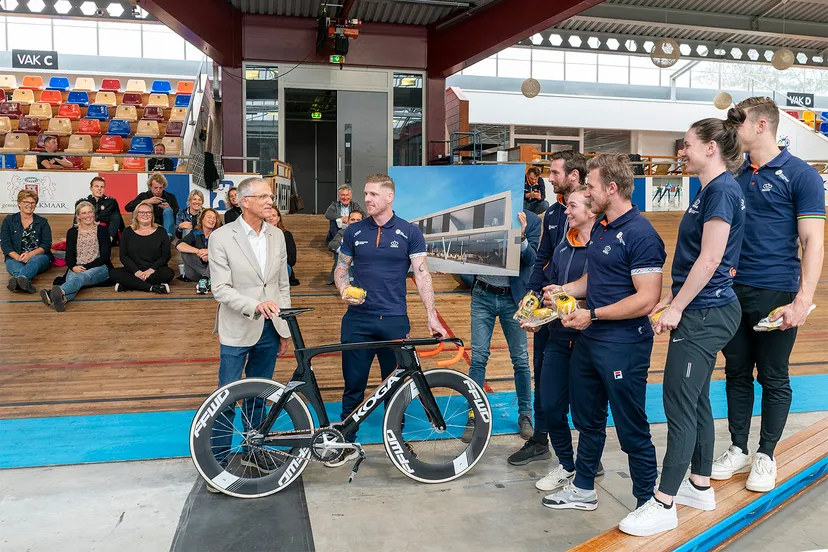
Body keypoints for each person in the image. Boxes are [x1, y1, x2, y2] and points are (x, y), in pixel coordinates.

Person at [618, 112, 747, 536]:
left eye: (688, 144)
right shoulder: (710, 190)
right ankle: (700, 485)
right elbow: (698, 259)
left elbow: (712, 258)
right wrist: (673, 297)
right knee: (696, 402)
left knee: (678, 404)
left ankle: (664, 501)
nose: (681, 151)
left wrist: (677, 308)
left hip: (706, 314)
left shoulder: (722, 191)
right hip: (702, 307)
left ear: (711, 148)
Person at [542, 154, 665, 513]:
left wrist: (591, 314)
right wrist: (563, 289)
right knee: (588, 420)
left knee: (631, 426)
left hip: (623, 345)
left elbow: (647, 299)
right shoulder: (602, 228)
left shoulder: (642, 233)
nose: (586, 193)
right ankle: (583, 490)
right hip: (591, 341)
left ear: (611, 188)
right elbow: (593, 279)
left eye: (591, 187)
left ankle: (646, 501)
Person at [714, 97, 826, 493]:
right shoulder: (735, 174)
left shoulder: (801, 176)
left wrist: (801, 300)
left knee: (774, 376)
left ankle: (766, 454)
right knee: (736, 373)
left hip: (776, 292)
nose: (732, 130)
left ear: (761, 125)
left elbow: (814, 243)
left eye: (738, 123)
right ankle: (738, 448)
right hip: (732, 292)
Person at [331, 173, 447, 465]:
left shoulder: (409, 232)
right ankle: (346, 441)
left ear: (389, 197)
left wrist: (432, 316)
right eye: (366, 194)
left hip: (394, 321)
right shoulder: (354, 231)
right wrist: (344, 288)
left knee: (395, 388)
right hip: (357, 320)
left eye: (373, 194)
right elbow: (341, 267)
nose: (367, 199)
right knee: (353, 385)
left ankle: (397, 441)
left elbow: (422, 275)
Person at [206, 177, 292, 489]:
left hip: (270, 328)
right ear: (244, 201)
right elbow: (220, 289)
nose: (271, 201)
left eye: (271, 196)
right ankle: (214, 461)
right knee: (226, 396)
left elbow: (281, 284)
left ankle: (252, 450)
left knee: (259, 395)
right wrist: (257, 305)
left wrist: (284, 327)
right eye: (264, 197)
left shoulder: (278, 236)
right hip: (237, 328)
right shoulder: (221, 237)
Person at [509, 150, 587, 466]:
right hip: (548, 311)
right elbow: (542, 259)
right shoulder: (553, 214)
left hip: (579, 314)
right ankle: (541, 440)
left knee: (582, 384)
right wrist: (530, 300)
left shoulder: (594, 217)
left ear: (574, 176)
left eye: (555, 173)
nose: (549, 178)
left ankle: (588, 454)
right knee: (543, 376)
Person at [525, 188, 603, 493]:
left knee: (588, 412)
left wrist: (576, 302)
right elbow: (551, 290)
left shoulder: (604, 244)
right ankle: (566, 464)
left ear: (590, 211)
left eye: (571, 207)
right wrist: (537, 314)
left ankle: (587, 467)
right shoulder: (562, 247)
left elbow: (603, 290)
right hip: (558, 337)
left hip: (590, 338)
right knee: (550, 405)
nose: (565, 212)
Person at [459, 209, 540, 442]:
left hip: (513, 299)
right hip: (483, 294)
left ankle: (525, 414)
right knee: (478, 357)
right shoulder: (483, 216)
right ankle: (474, 414)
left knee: (521, 359)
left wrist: (521, 237)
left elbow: (531, 259)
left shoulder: (533, 221)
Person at [40, 201, 112, 312]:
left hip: (99, 267)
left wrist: (86, 267)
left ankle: (53, 293)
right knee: (73, 283)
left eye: (90, 212)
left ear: (94, 214)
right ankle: (62, 299)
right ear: (78, 216)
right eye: (84, 213)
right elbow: (69, 255)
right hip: (77, 266)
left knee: (81, 278)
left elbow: (105, 256)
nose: (88, 215)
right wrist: (73, 267)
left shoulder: (102, 230)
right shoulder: (72, 232)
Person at [109, 200, 174, 294]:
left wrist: (151, 270)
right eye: (142, 212)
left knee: (168, 273)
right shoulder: (127, 232)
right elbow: (124, 257)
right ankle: (152, 287)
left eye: (148, 212)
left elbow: (166, 256)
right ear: (136, 215)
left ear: (152, 215)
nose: (145, 215)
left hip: (155, 270)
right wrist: (136, 272)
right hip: (133, 270)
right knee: (113, 273)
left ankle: (129, 284)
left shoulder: (161, 231)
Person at [2, 189, 53, 293]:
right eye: (26, 202)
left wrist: (31, 254)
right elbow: (5, 244)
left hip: (38, 256)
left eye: (32, 202)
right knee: (13, 264)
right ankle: (23, 280)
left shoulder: (42, 222)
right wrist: (18, 257)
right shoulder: (9, 220)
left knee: (34, 262)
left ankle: (18, 279)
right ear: (19, 203)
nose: (29, 205)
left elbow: (47, 244)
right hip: (15, 257)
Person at [176, 207, 221, 294]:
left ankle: (204, 279)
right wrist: (198, 251)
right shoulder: (195, 233)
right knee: (186, 252)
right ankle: (207, 278)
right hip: (195, 272)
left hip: (212, 269)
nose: (212, 220)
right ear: (202, 219)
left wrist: (209, 252)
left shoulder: (218, 234)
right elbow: (179, 245)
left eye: (214, 218)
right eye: (209, 217)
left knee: (218, 254)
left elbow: (225, 250)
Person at [125, 173, 179, 238]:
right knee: (138, 206)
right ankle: (138, 233)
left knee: (168, 210)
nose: (158, 190)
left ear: (163, 186)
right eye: (156, 188)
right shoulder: (144, 196)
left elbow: (178, 215)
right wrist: (146, 201)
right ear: (150, 186)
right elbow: (128, 208)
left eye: (160, 188)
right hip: (147, 226)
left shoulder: (170, 197)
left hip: (165, 228)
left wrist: (170, 208)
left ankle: (168, 237)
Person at [75, 176, 123, 244]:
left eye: (102, 187)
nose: (99, 189)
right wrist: (73, 234)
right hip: (87, 230)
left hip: (105, 232)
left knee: (115, 215)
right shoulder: (82, 202)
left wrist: (123, 233)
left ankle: (109, 239)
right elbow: (76, 220)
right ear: (91, 188)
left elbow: (118, 219)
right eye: (96, 186)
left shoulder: (111, 201)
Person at [266, 204, 299, 287]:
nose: (271, 218)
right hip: (266, 267)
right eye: (268, 216)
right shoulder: (259, 235)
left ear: (278, 218)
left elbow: (292, 260)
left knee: (284, 268)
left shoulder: (286, 235)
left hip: (282, 265)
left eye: (273, 215)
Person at [327, 210, 363, 284]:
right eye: (352, 220)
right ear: (348, 221)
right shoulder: (343, 232)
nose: (355, 222)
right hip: (346, 266)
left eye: (358, 220)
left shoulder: (367, 234)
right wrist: (347, 252)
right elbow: (332, 245)